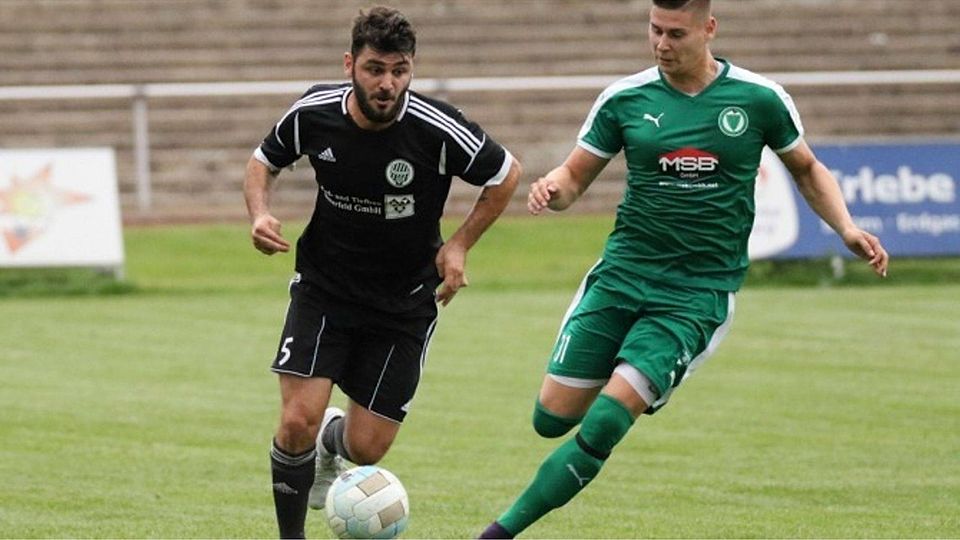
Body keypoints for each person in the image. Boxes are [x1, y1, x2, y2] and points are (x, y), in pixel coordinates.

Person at [477, 0, 888, 537]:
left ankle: (498, 532)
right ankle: (630, 370)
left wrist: (846, 228)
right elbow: (575, 177)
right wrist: (553, 189)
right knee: (551, 418)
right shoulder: (625, 99)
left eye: (675, 33)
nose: (662, 44)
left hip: (696, 294)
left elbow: (808, 169)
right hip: (622, 276)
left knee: (605, 420)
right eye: (655, 31)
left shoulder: (759, 99)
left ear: (709, 29)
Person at [243, 6, 521, 538]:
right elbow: (263, 161)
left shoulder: (436, 128)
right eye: (375, 69)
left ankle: (333, 444)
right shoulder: (314, 112)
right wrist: (259, 212)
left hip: (406, 300)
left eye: (399, 70)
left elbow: (506, 174)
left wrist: (460, 244)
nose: (388, 83)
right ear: (351, 64)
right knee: (297, 418)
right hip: (325, 287)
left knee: (367, 447)